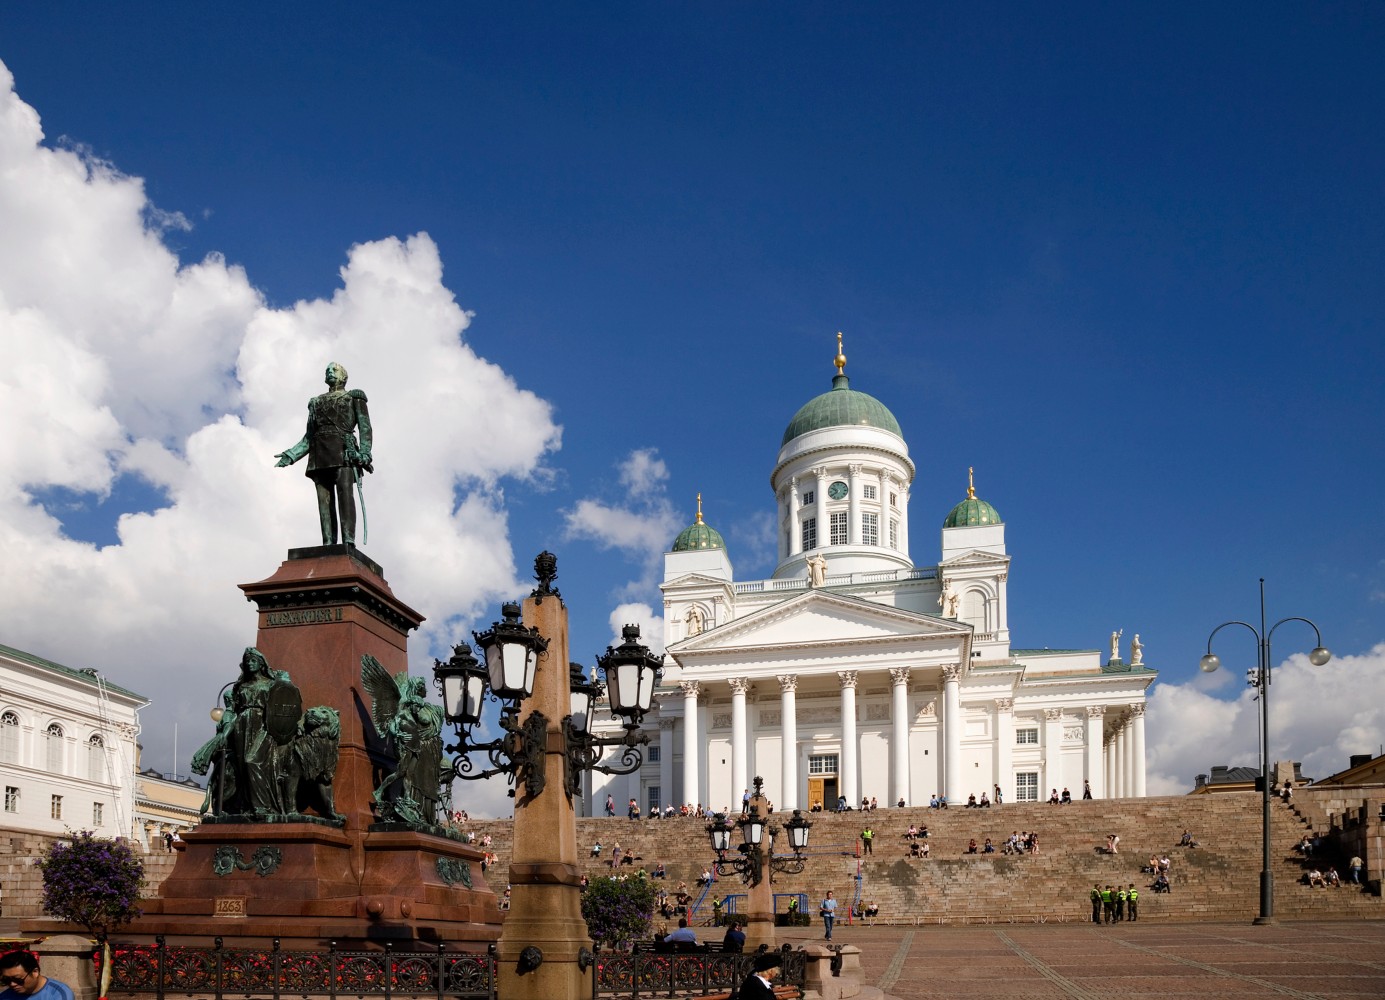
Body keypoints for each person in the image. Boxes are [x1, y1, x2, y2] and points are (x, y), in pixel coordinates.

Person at [275, 362, 373, 546]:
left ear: (344, 376)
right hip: (320, 453)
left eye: (334, 370)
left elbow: (365, 427)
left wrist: (365, 453)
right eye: (327, 370)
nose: (330, 372)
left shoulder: (354, 397)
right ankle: (328, 542)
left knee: (345, 495)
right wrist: (291, 455)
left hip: (344, 451)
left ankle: (348, 540)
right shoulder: (316, 402)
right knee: (324, 501)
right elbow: (309, 436)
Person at [0, 950, 74, 1000]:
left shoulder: (58, 993)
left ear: (35, 972)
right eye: (6, 980)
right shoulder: (6, 996)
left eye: (18, 979)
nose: (12, 984)